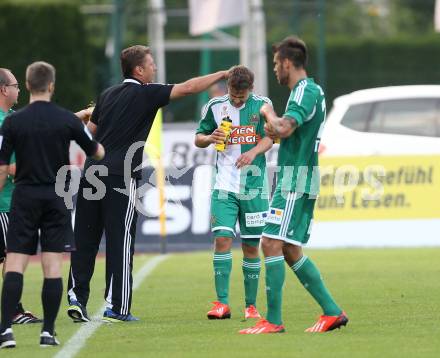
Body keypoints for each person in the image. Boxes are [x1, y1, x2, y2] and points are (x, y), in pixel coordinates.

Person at [67, 45, 228, 323]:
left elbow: (89, 134)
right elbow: (189, 88)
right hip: (121, 177)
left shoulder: (107, 94)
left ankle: (76, 299)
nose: (155, 68)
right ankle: (117, 307)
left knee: (85, 240)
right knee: (121, 241)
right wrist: (223, 73)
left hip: (91, 175)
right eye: (151, 64)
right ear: (139, 70)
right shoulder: (147, 92)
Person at [240, 36, 348, 334]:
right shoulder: (307, 91)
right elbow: (288, 131)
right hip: (299, 176)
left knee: (270, 242)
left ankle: (273, 320)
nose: (274, 69)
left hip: (295, 178)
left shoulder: (305, 90)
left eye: (276, 64)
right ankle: (332, 311)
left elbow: (283, 127)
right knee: (289, 248)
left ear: (287, 63)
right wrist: (276, 126)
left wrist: (267, 114)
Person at [0, 61, 104, 348]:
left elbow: (2, 167)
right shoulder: (66, 120)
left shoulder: (13, 121)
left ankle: (6, 331)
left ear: (29, 85)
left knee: (15, 265)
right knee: (52, 266)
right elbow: (96, 150)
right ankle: (48, 332)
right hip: (55, 196)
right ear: (52, 86)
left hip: (23, 196)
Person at [195, 65, 273, 320]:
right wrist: (210, 138)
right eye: (233, 95)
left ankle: (251, 306)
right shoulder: (216, 106)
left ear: (250, 90)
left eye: (241, 97)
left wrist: (252, 152)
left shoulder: (262, 105)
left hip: (254, 188)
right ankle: (222, 303)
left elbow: (270, 138)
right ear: (228, 87)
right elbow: (198, 137)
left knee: (251, 246)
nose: (236, 100)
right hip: (224, 186)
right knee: (222, 240)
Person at [0, 68, 42, 325]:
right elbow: (9, 166)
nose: (19, 89)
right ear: (4, 89)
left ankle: (12, 310)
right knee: (13, 257)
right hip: (5, 204)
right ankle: (13, 311)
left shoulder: (11, 118)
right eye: (15, 85)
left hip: (10, 202)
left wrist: (76, 118)